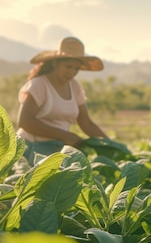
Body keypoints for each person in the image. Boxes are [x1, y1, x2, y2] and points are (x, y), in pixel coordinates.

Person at [17, 36, 108, 165]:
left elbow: (86, 122)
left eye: (76, 69)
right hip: (33, 147)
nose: (71, 72)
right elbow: (25, 121)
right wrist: (64, 135)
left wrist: (109, 143)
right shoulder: (39, 84)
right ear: (55, 63)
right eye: (68, 66)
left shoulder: (75, 86)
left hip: (57, 147)